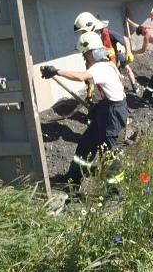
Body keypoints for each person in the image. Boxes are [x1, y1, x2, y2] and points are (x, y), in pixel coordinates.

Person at [41, 31, 128, 186]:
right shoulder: (107, 64)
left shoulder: (100, 67)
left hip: (112, 113)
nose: (84, 58)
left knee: (108, 153)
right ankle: (74, 179)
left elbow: (81, 77)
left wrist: (56, 71)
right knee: (86, 145)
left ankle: (116, 193)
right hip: (105, 110)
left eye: (85, 54)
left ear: (92, 52)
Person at [74, 12, 139, 93]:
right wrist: (90, 83)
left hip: (116, 56)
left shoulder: (108, 34)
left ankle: (134, 84)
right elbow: (89, 60)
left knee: (127, 68)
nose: (83, 33)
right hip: (106, 63)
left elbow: (125, 39)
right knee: (114, 81)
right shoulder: (89, 40)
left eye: (83, 31)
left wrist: (128, 52)